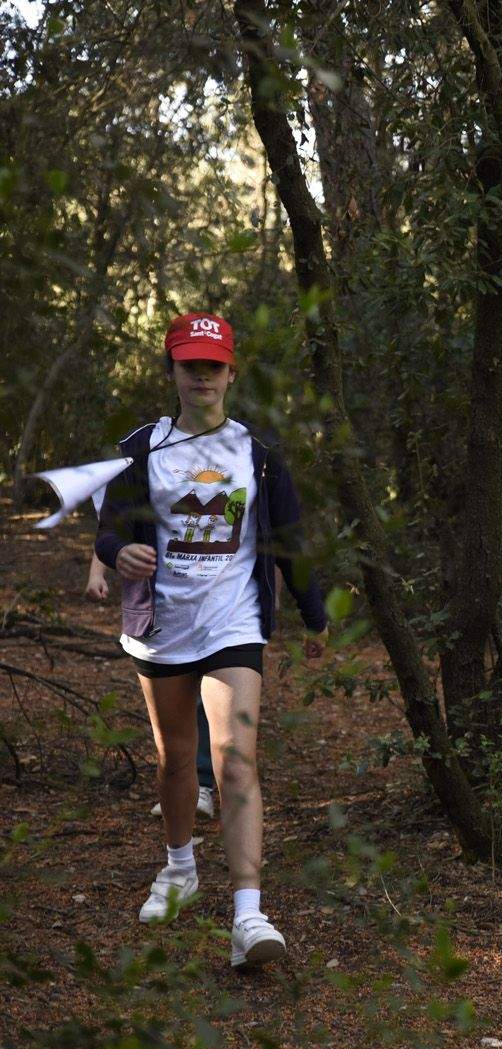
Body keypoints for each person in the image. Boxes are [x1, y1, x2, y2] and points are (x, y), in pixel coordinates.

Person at [96, 312, 327, 969]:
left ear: (232, 371)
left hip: (235, 624)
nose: (202, 375)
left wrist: (314, 616)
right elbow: (108, 530)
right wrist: (122, 554)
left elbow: (289, 539)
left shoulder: (256, 452)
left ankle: (248, 916)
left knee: (234, 760)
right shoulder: (142, 447)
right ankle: (179, 868)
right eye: (189, 363)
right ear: (171, 370)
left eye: (213, 364)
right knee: (176, 759)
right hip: (162, 627)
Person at [90, 540, 217, 820]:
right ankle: (182, 786)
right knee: (174, 710)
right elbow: (110, 530)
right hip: (163, 612)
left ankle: (204, 783)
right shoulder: (127, 496)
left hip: (219, 608)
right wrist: (96, 573)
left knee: (204, 697)